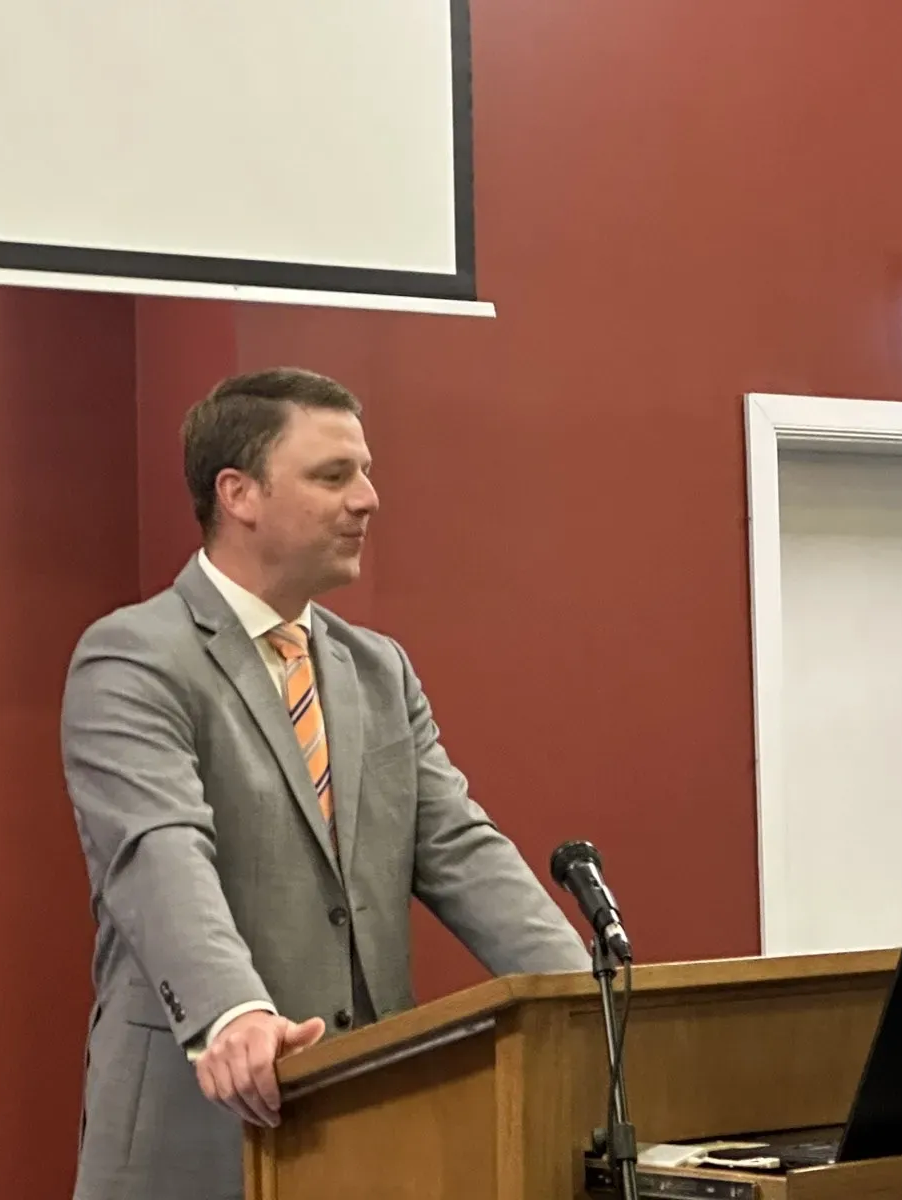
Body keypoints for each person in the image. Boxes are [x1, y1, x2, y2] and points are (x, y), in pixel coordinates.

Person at [60, 367, 591, 1200]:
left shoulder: (377, 669)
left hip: (372, 1131)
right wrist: (232, 1012)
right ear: (239, 494)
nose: (368, 498)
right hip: (197, 1132)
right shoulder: (132, 657)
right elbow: (159, 852)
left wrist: (588, 1003)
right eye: (333, 475)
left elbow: (458, 846)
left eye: (366, 472)